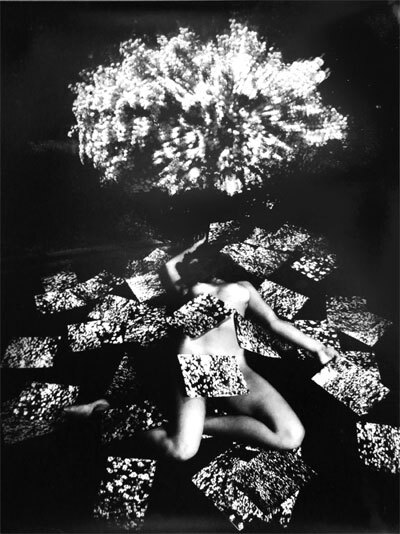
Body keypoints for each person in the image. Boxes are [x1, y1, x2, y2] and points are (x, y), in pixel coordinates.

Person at [66, 237, 339, 461]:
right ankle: (101, 415)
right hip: (192, 367)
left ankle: (191, 422)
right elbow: (168, 266)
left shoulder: (242, 288)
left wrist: (318, 348)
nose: (199, 262)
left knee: (290, 436)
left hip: (234, 369)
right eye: (194, 259)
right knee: (181, 450)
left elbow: (274, 322)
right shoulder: (185, 289)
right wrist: (194, 244)